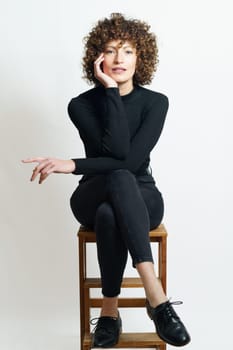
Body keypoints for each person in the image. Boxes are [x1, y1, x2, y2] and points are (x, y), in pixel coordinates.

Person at [22, 13, 191, 348]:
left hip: (141, 195)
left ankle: (109, 312)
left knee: (111, 209)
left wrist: (72, 164)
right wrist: (111, 91)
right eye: (111, 50)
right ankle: (156, 297)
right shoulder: (82, 105)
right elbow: (115, 154)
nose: (119, 58)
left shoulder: (155, 103)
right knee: (114, 178)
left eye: (127, 51)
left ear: (140, 56)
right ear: (97, 58)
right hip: (92, 192)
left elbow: (129, 161)